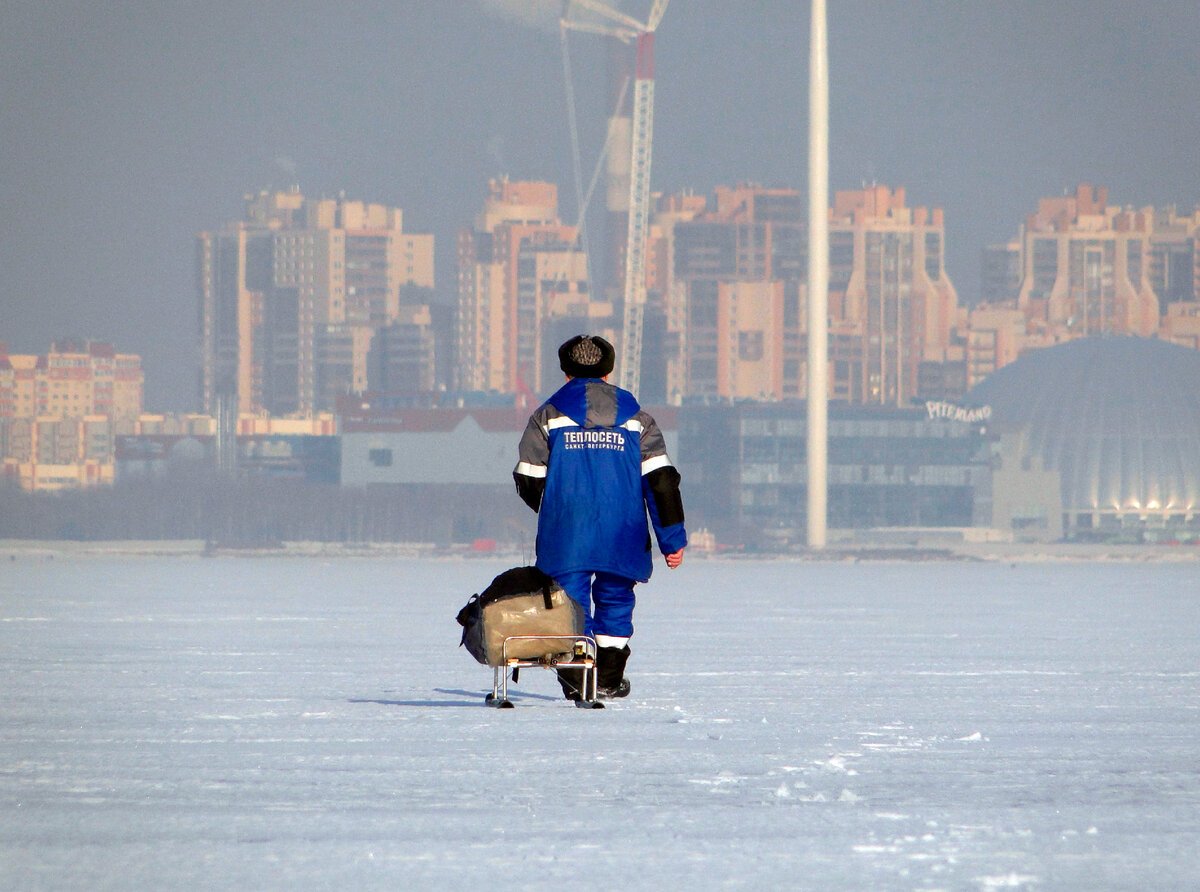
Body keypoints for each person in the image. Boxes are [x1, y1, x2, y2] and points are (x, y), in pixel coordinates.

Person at [514, 335, 686, 702]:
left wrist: (554, 508)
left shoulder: (546, 417)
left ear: (565, 373)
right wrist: (672, 540)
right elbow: (662, 482)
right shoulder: (639, 420)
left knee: (570, 607)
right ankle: (607, 678)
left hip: (567, 533)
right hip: (623, 532)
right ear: (609, 372)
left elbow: (528, 478)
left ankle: (579, 679)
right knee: (616, 600)